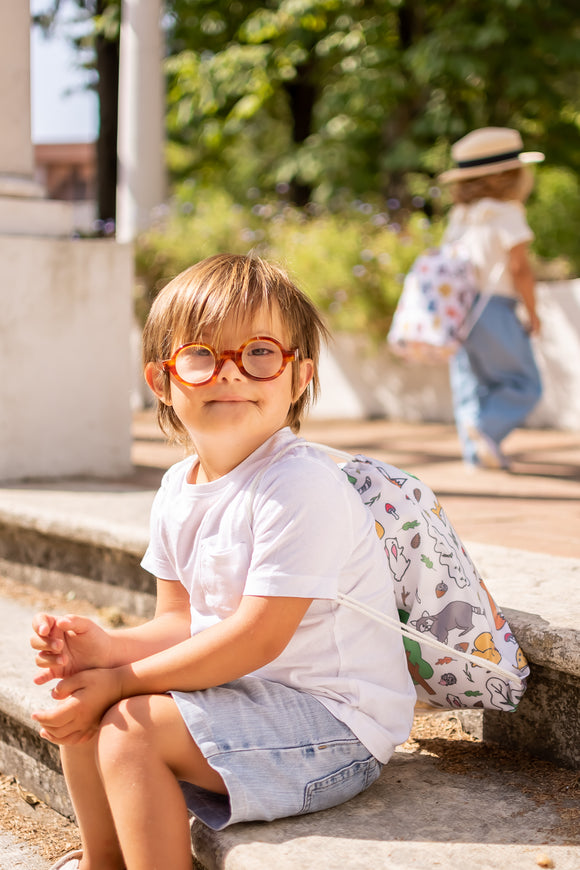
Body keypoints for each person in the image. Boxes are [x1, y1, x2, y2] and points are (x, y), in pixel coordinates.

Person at [31, 253, 416, 870]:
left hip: (338, 728)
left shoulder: (300, 486)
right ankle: (102, 861)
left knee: (132, 725)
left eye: (261, 353)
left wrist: (126, 680)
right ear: (162, 382)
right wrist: (107, 650)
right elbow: (182, 623)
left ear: (299, 379)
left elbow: (257, 637)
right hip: (247, 698)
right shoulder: (177, 489)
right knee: (89, 702)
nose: (230, 374)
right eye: (202, 355)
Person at [439, 127, 544, 469]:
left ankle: (478, 456)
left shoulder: (459, 216)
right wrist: (533, 312)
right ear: (509, 175)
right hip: (494, 308)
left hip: (459, 309)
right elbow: (520, 268)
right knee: (525, 383)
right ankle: (486, 430)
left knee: (471, 384)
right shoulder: (507, 212)